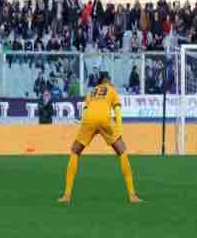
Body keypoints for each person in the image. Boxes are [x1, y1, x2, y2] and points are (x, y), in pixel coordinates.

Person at [59, 70, 141, 204]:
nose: (110, 81)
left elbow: (85, 111)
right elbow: (117, 109)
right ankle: (132, 195)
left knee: (75, 151)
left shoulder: (91, 92)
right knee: (122, 151)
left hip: (89, 119)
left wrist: (84, 126)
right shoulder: (111, 90)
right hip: (104, 119)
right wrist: (119, 128)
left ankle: (66, 195)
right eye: (109, 78)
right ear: (105, 80)